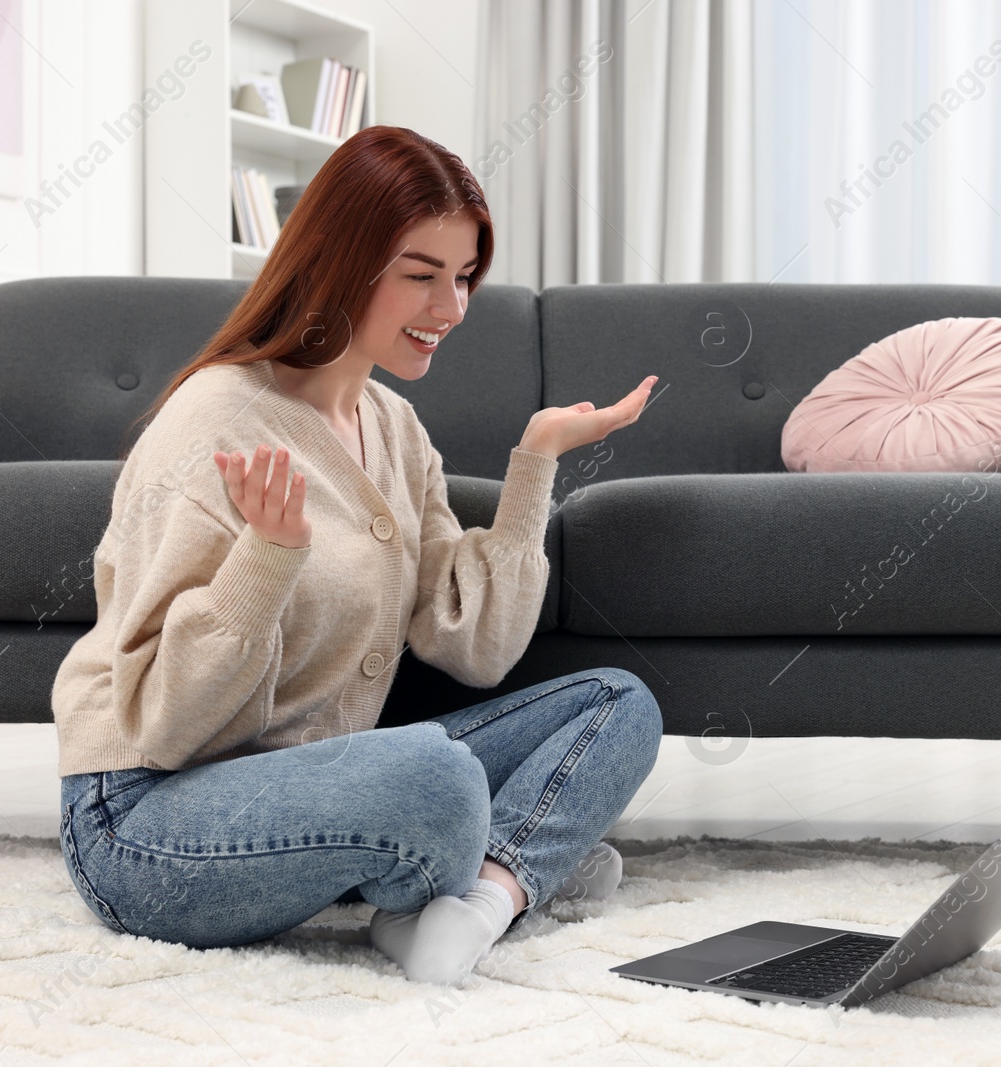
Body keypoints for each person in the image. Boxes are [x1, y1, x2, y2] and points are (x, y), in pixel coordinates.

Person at [51, 125, 662, 986]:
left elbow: (472, 650)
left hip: (323, 783)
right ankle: (522, 866)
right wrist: (267, 556)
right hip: (147, 819)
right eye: (421, 276)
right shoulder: (214, 422)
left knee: (618, 703)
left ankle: (480, 902)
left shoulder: (395, 429)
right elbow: (162, 721)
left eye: (462, 278)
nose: (449, 310)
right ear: (341, 261)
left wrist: (535, 465)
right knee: (434, 775)